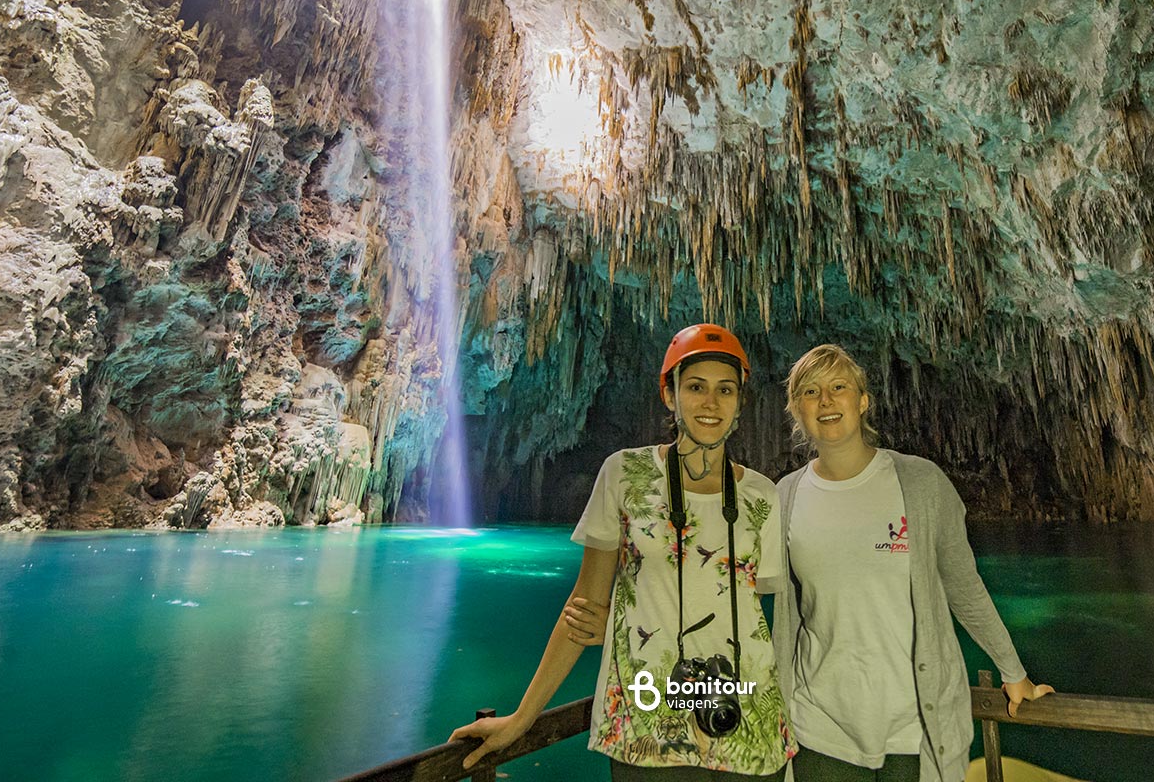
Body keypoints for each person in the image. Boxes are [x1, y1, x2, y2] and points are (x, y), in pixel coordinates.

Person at [451, 323, 796, 780]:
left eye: (725, 390)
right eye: (695, 387)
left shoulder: (761, 495)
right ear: (669, 395)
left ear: (740, 402)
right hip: (646, 719)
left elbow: (759, 609)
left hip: (744, 712)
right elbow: (582, 607)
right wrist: (521, 719)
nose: (711, 403)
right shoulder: (625, 474)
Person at [774, 344, 1053, 782]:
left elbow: (963, 586)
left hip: (914, 727)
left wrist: (1013, 671)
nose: (825, 400)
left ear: (862, 401)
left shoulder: (922, 484)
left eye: (838, 387)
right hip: (820, 730)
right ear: (797, 410)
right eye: (810, 392)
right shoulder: (784, 497)